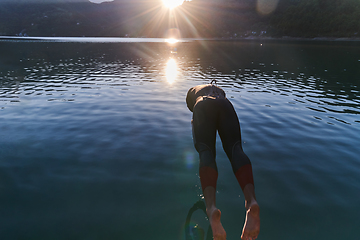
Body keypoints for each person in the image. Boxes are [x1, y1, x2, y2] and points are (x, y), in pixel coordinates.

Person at [186, 82, 260, 240]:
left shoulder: (192, 92)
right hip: (225, 104)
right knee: (236, 149)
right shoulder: (219, 90)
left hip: (202, 104)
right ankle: (250, 201)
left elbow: (193, 111)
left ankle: (211, 208)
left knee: (206, 151)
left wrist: (196, 123)